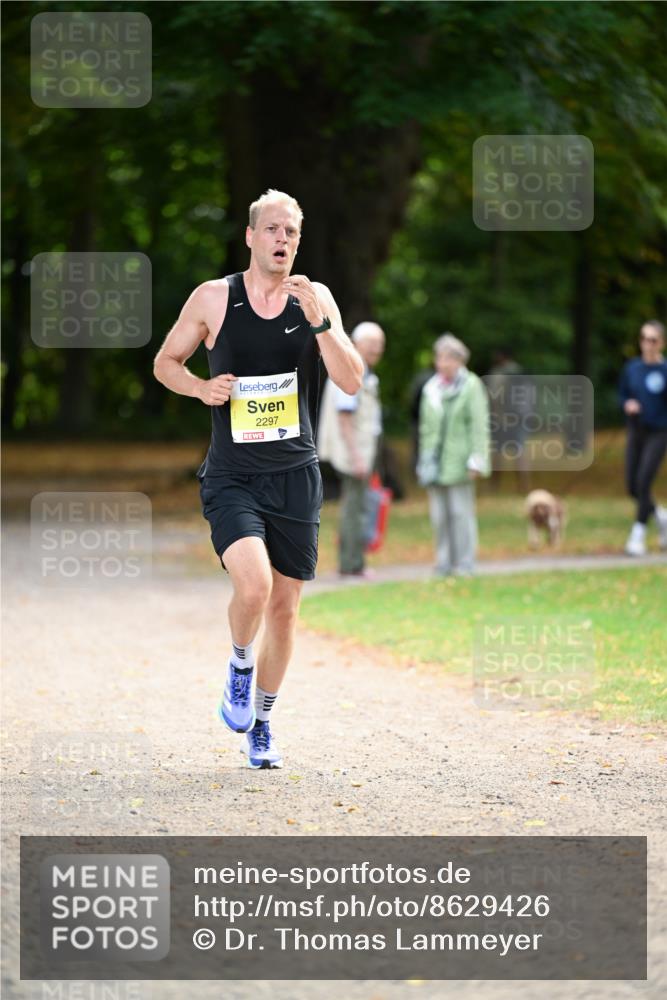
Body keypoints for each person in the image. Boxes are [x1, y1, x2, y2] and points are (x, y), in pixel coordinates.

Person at [153, 189, 363, 768]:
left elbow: (351, 380)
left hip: (296, 474)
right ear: (250, 237)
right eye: (272, 229)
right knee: (254, 587)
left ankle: (262, 723)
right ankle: (239, 666)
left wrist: (322, 325)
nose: (282, 240)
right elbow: (165, 362)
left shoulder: (315, 300)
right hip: (234, 475)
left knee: (286, 610)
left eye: (292, 232)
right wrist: (200, 388)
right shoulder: (215, 299)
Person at [417, 333, 490, 576]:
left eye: (447, 358)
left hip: (461, 460)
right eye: (439, 358)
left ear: (460, 360)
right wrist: (423, 459)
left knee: (460, 513)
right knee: (439, 515)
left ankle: (465, 564)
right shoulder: (431, 389)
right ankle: (444, 562)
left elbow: (479, 425)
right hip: (434, 462)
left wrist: (477, 459)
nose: (442, 363)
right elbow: (425, 428)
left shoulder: (471, 385)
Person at [317, 322, 385, 577]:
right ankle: (350, 566)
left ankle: (354, 564)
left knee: (358, 506)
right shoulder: (350, 369)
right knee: (354, 508)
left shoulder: (364, 371)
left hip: (362, 451)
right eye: (372, 344)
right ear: (357, 343)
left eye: (380, 344)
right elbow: (344, 418)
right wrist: (357, 457)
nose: (377, 349)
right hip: (354, 453)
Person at [619, 319, 667, 556]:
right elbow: (623, 394)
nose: (647, 344)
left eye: (652, 340)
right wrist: (628, 404)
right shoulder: (632, 368)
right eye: (643, 339)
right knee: (632, 486)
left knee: (644, 481)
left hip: (659, 432)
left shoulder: (665, 371)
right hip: (636, 431)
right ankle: (660, 517)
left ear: (661, 343)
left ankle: (637, 534)